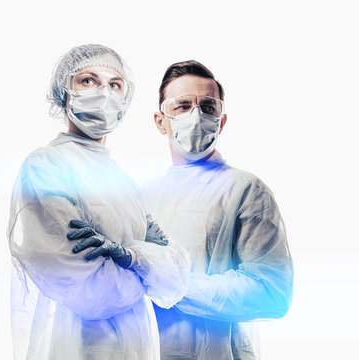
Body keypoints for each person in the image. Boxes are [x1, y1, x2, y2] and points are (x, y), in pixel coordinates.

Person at [7, 44, 190, 360]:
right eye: (88, 81)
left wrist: (130, 257)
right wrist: (147, 272)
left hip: (139, 346)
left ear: (124, 101)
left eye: (114, 84)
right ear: (64, 91)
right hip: (76, 347)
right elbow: (91, 291)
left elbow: (177, 275)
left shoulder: (123, 182)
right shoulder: (46, 167)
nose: (103, 92)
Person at [142, 60, 294, 359]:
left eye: (208, 107)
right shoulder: (141, 197)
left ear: (221, 121)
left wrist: (172, 285)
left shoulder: (245, 189)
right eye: (182, 106)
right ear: (161, 121)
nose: (196, 116)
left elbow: (272, 294)